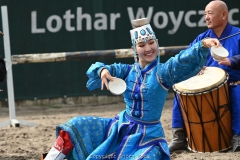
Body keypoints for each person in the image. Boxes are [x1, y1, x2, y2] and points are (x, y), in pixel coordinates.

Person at [43, 18, 220, 160]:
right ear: (134, 49)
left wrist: (203, 44)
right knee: (76, 124)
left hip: (148, 137)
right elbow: (96, 67)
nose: (148, 48)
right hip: (118, 127)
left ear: (157, 44)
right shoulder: (126, 70)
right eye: (142, 45)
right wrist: (103, 70)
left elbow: (180, 60)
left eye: (151, 43)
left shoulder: (162, 73)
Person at [169, 0, 240, 153]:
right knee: (179, 93)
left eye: (210, 13)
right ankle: (179, 137)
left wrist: (233, 61)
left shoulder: (238, 34)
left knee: (238, 92)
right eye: (205, 14)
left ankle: (237, 137)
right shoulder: (202, 39)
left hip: (233, 83)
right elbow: (187, 57)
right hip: (204, 86)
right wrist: (196, 67)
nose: (206, 17)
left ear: (223, 14)